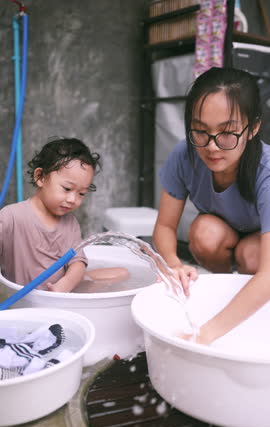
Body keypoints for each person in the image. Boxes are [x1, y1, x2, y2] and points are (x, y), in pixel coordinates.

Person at [153, 66, 270, 345]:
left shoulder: (265, 170)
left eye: (227, 133)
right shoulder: (185, 155)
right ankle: (223, 291)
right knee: (205, 232)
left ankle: (244, 307)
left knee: (253, 256)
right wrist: (173, 265)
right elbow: (165, 226)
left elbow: (268, 273)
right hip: (221, 234)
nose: (212, 147)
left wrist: (205, 334)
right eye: (201, 131)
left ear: (252, 128)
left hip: (259, 245)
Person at [0, 137, 128, 293]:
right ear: (40, 177)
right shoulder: (12, 217)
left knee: (122, 273)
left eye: (81, 193)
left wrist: (65, 284)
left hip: (61, 293)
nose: (73, 199)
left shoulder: (70, 223)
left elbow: (77, 263)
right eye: (67, 189)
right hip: (25, 298)